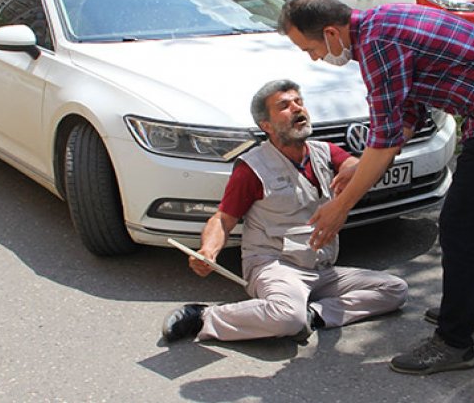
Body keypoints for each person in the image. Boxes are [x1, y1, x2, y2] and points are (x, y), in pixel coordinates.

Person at [278, 0, 474, 375]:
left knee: (459, 226)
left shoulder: (378, 42)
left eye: (310, 48)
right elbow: (405, 109)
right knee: (468, 220)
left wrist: (339, 208)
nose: (313, 57)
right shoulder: (378, 27)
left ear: (331, 32)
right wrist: (364, 161)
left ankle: (454, 343)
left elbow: (385, 141)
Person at [161, 79, 408, 344]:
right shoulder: (252, 167)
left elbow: (354, 167)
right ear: (266, 125)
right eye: (285, 106)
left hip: (321, 267)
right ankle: (204, 317)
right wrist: (208, 251)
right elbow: (223, 218)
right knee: (287, 318)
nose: (297, 108)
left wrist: (359, 166)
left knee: (394, 289)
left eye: (299, 102)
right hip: (274, 265)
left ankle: (314, 315)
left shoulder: (324, 151)